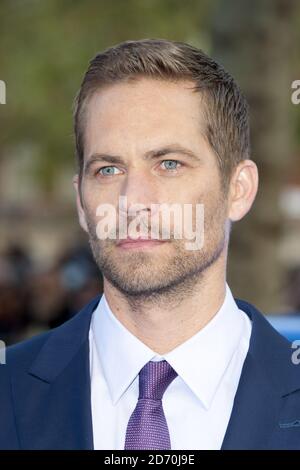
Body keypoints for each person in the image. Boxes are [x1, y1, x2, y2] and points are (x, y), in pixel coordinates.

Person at [1, 39, 299, 450]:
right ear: (81, 203)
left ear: (239, 189)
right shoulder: (8, 391)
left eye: (169, 164)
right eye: (108, 169)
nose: (132, 200)